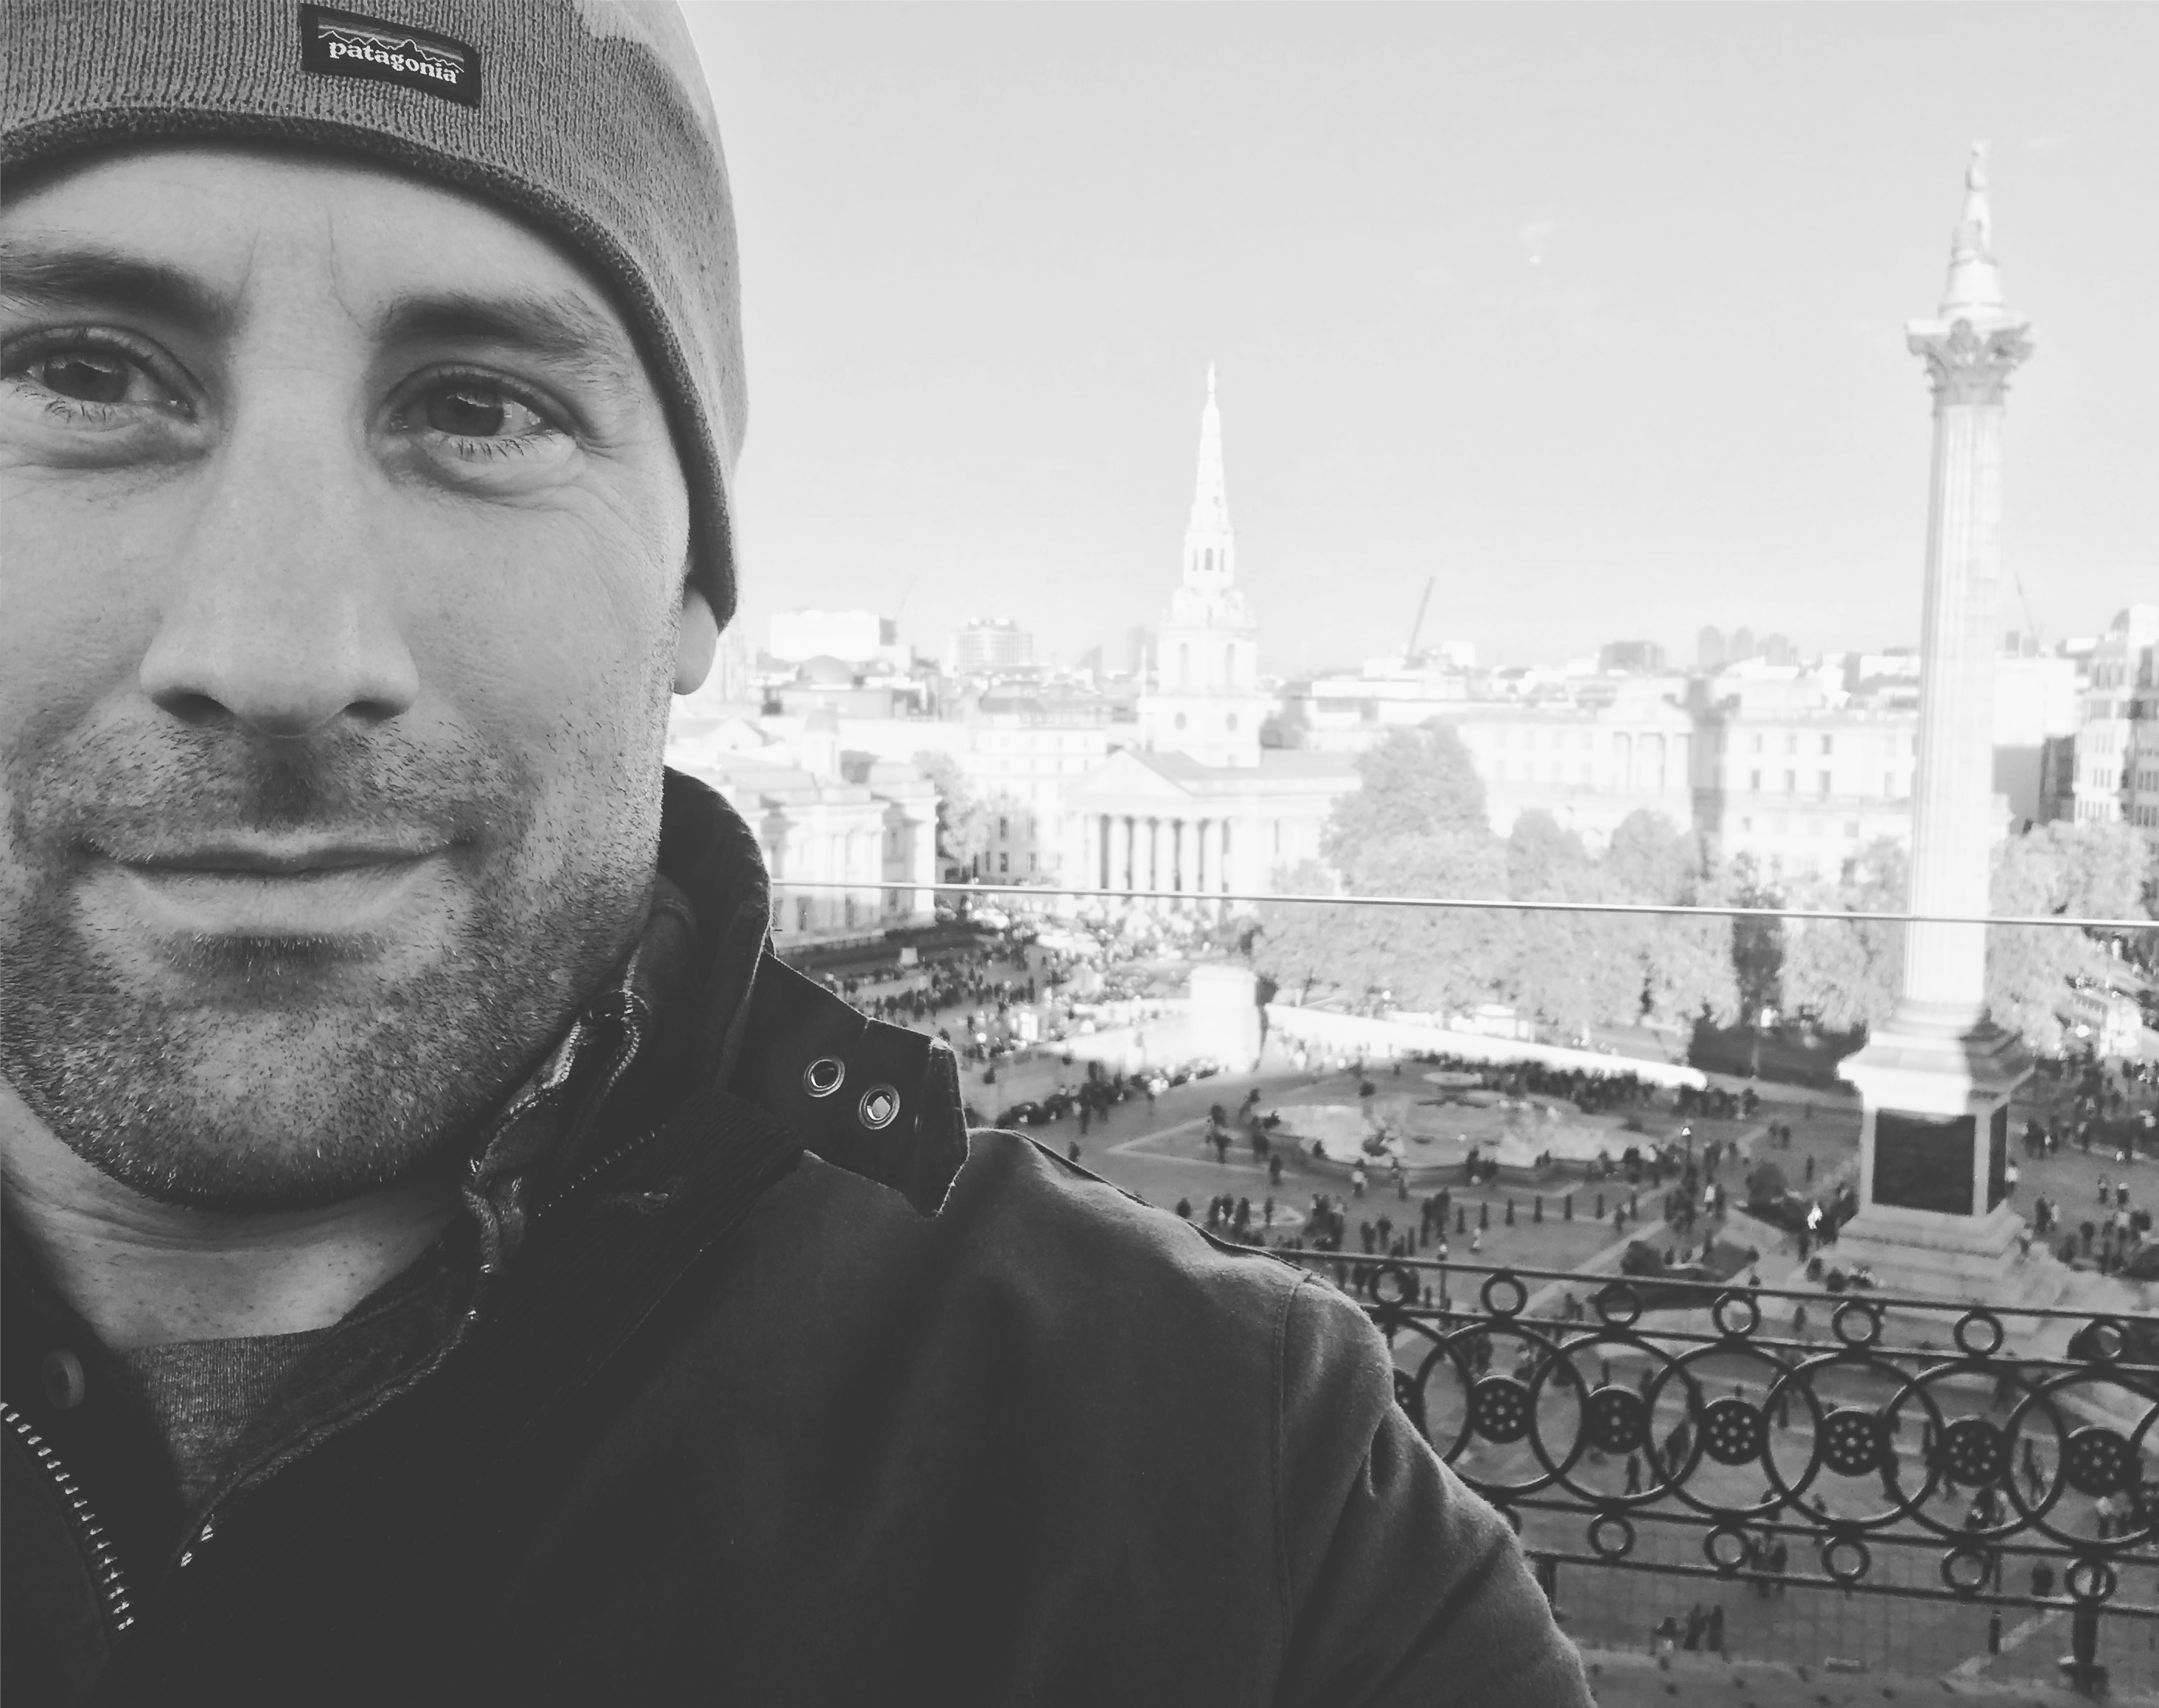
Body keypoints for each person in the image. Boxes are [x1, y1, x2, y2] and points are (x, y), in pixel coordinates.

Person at [0, 7, 1590, 1703]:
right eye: (77, 372)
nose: (280, 649)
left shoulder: (1252, 1488)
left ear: (699, 584)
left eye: (479, 405)